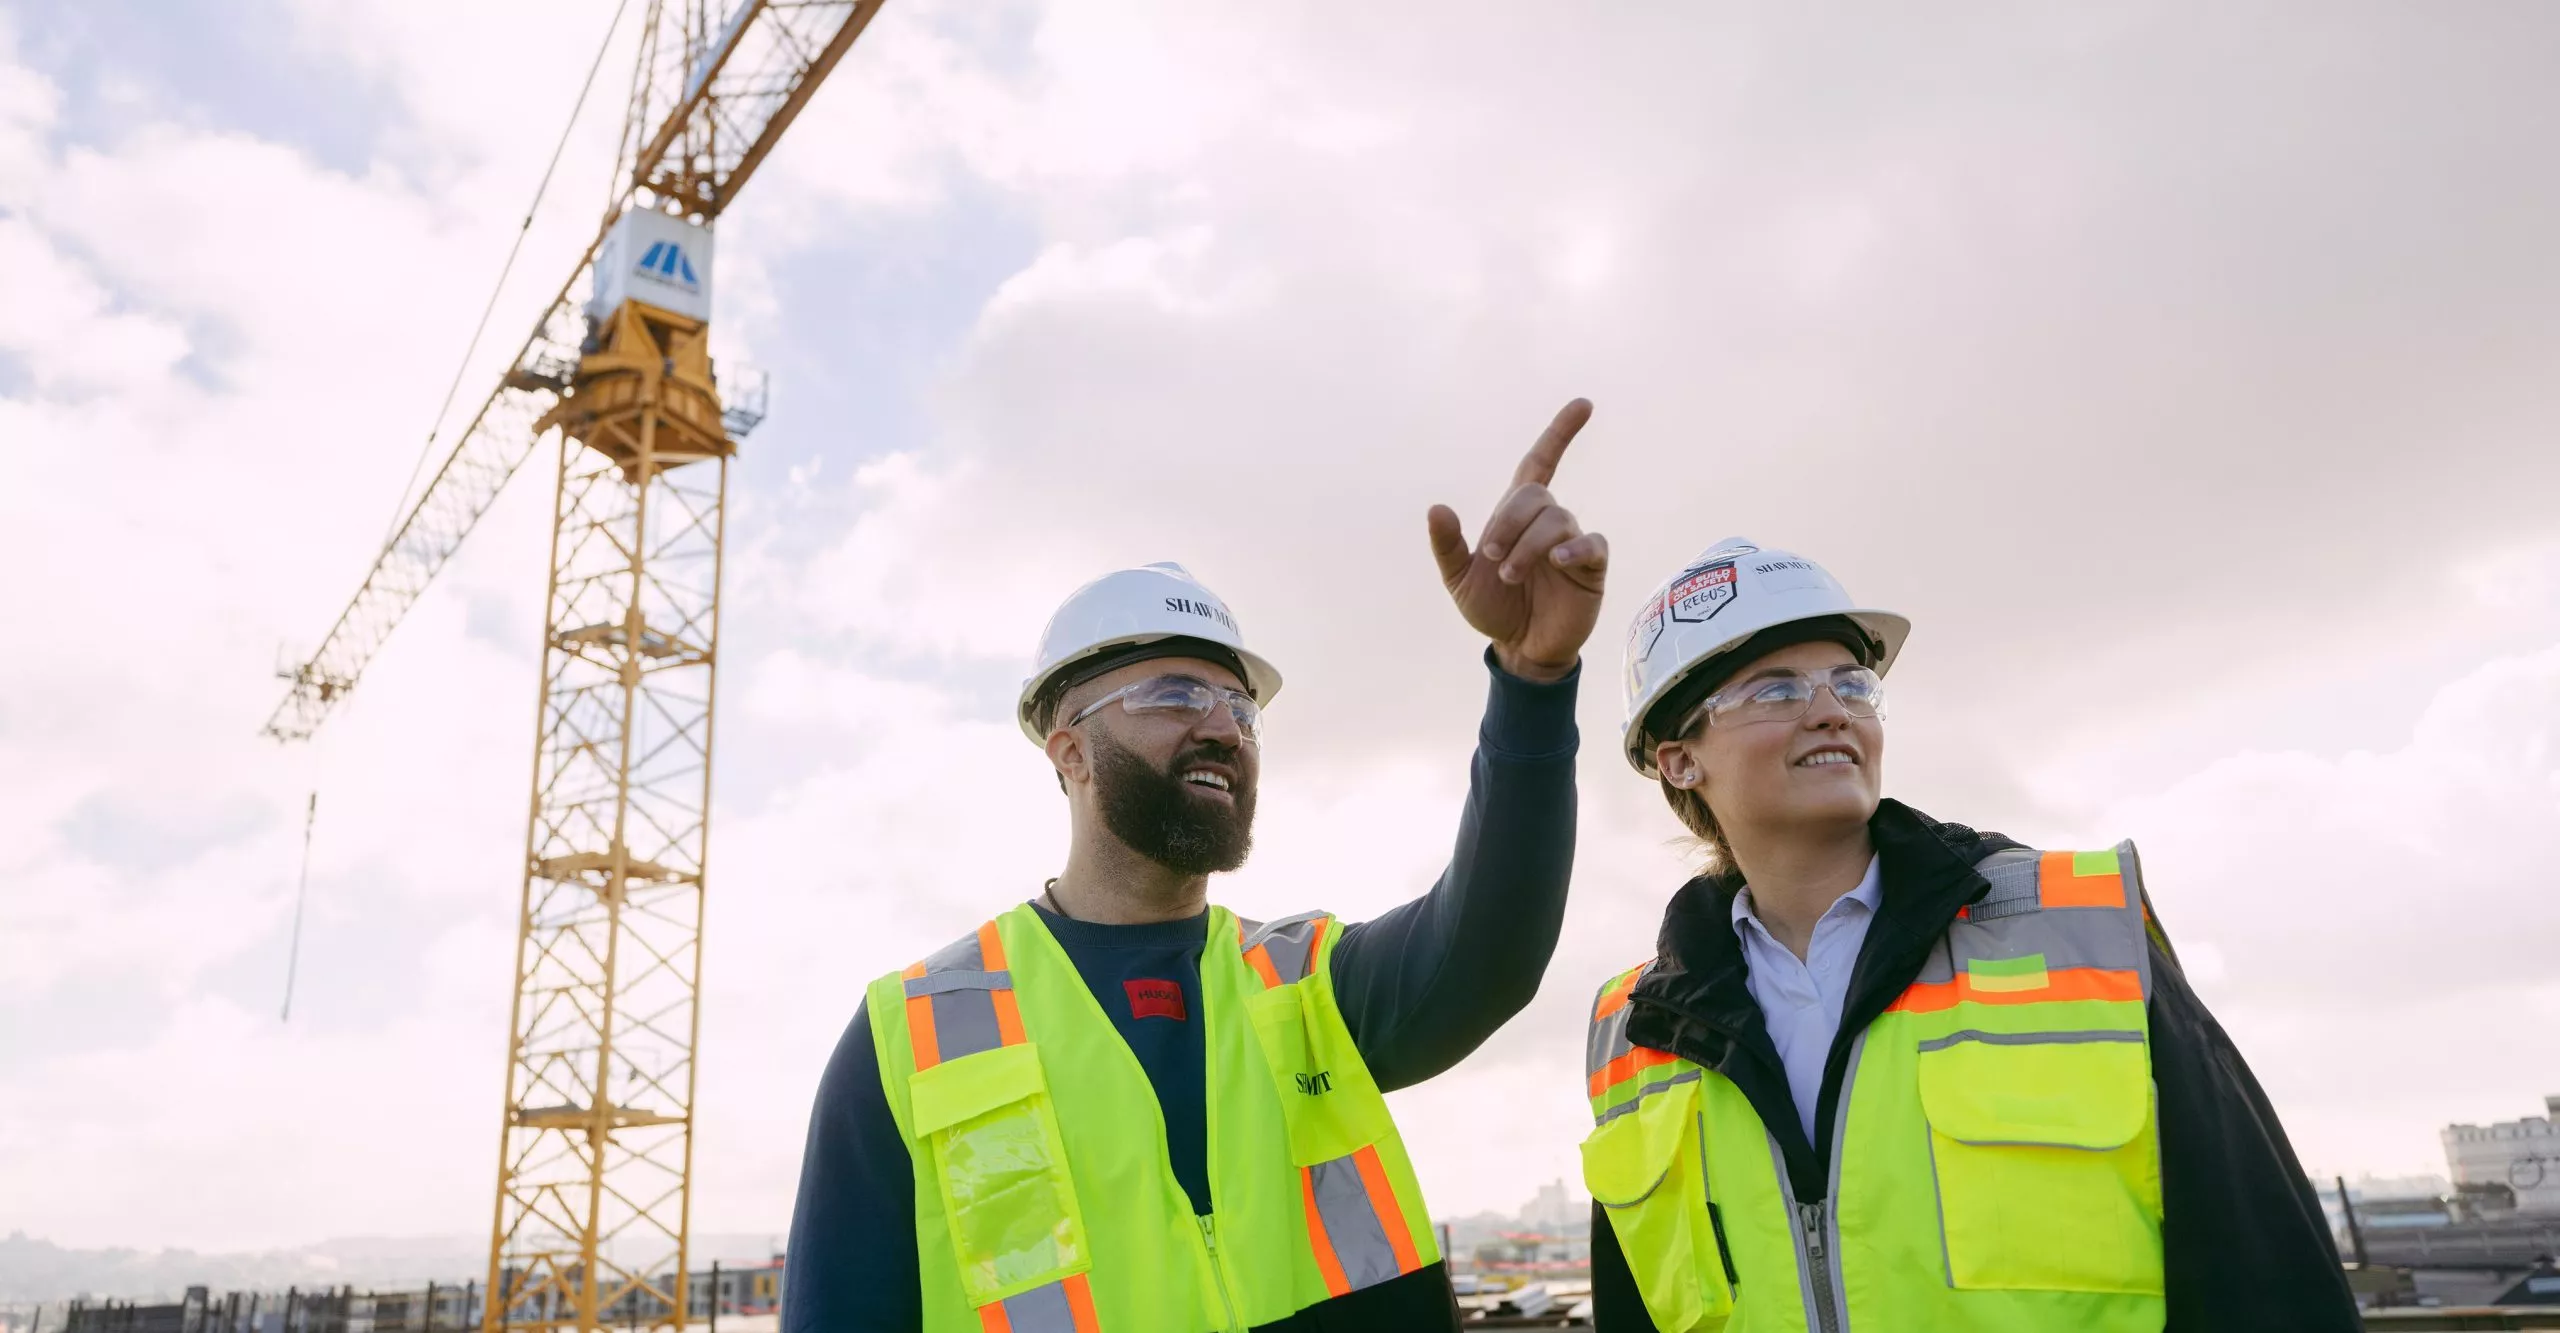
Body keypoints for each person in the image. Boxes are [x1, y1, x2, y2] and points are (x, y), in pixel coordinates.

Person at [786, 401, 1610, 1332]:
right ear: (1070, 752)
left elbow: (1490, 948)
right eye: (1175, 692)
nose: (1223, 724)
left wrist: (1533, 681)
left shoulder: (1307, 985)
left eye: (1238, 704)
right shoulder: (911, 1036)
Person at [1580, 538, 2359, 1332]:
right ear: (1679, 759)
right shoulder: (1635, 1031)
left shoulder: (2081, 929)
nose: (1831, 709)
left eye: (1851, 683)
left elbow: (2266, 1269)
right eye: (1776, 689)